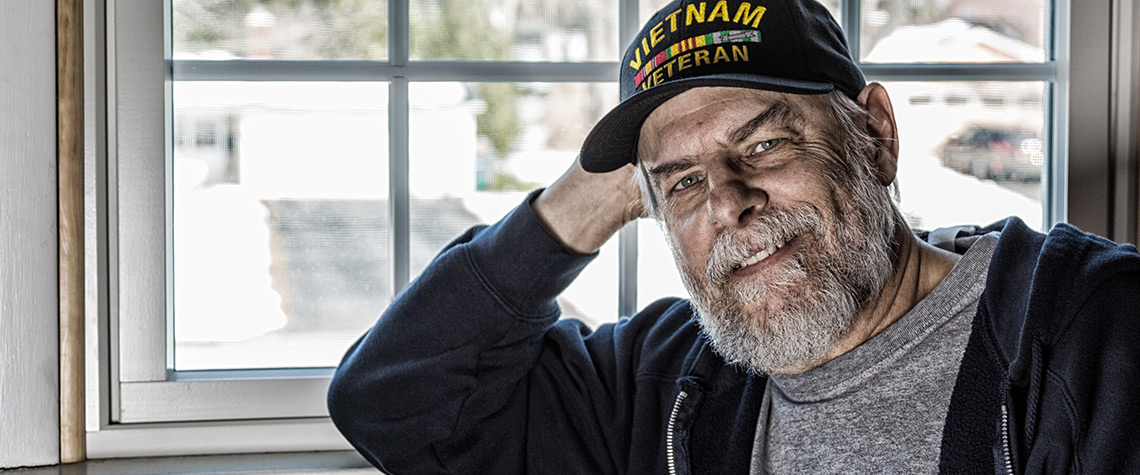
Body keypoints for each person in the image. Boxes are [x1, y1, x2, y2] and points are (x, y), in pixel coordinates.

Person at [328, 0, 1140, 473]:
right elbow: (393, 403)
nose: (728, 203)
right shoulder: (664, 379)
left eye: (762, 146)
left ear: (877, 137)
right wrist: (583, 201)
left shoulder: (1097, 332)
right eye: (682, 181)